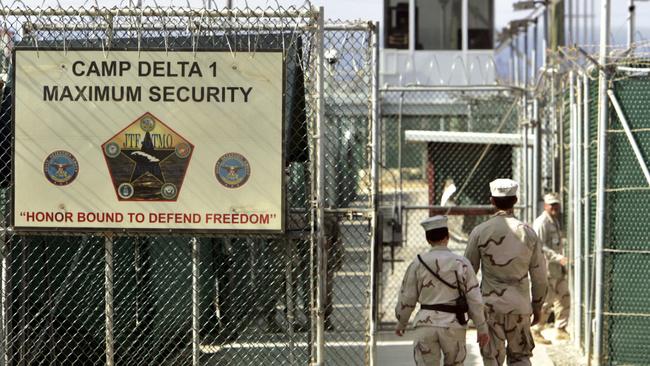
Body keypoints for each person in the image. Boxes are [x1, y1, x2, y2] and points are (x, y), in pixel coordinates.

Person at [464, 179, 547, 366]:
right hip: (520, 306)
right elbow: (540, 278)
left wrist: (470, 307)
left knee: (491, 358)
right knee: (521, 357)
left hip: (490, 308)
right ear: (516, 200)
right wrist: (537, 305)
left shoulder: (479, 232)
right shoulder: (528, 232)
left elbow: (467, 273)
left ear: (492, 200)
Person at [395, 215, 490, 366]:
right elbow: (474, 299)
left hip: (425, 325)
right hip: (453, 325)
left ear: (427, 239)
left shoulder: (418, 263)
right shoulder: (462, 263)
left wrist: (402, 322)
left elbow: (407, 297)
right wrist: (481, 327)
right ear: (448, 236)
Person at [532, 192, 570, 343]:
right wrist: (558, 257)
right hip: (547, 268)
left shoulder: (554, 220)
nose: (554, 207)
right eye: (551, 204)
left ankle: (561, 328)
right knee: (547, 301)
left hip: (557, 269)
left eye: (556, 204)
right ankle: (535, 330)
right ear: (545, 206)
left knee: (564, 296)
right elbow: (540, 246)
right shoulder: (542, 222)